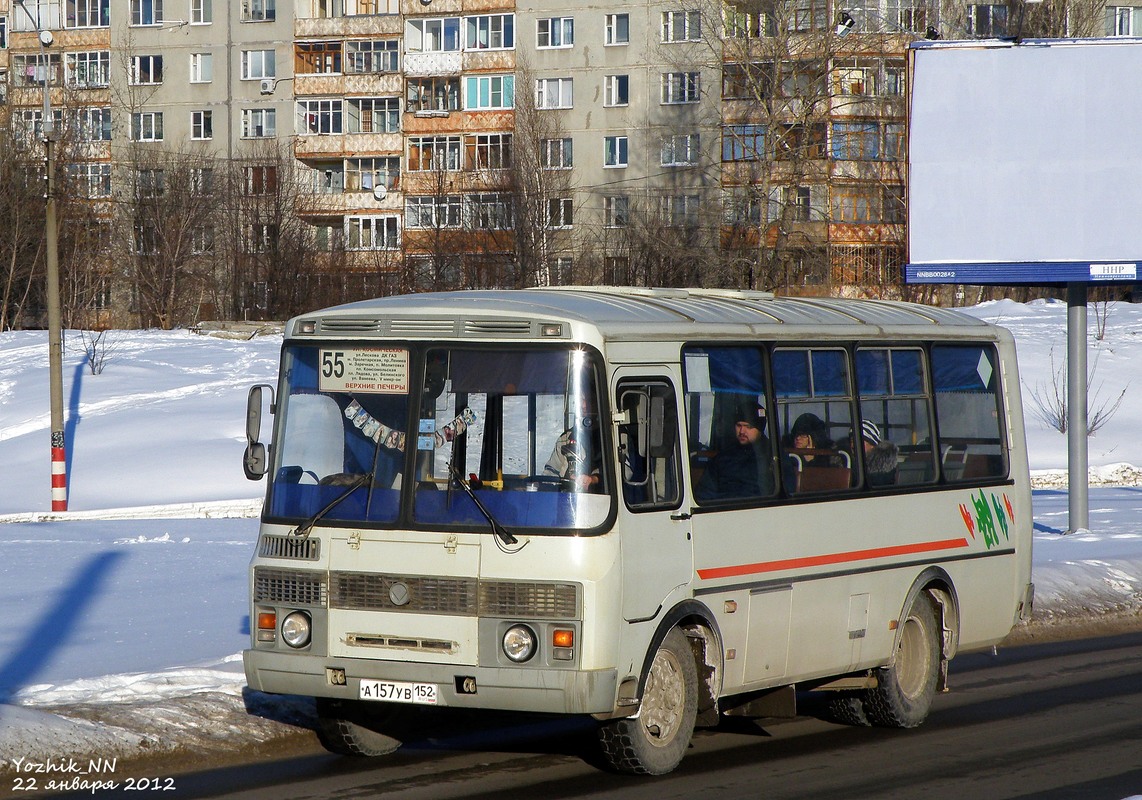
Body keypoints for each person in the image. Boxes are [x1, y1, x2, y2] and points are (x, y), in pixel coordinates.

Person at [695, 404, 774, 501]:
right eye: (739, 425)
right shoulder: (724, 456)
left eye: (748, 427)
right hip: (722, 509)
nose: (742, 431)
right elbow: (705, 492)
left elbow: (783, 492)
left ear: (760, 429)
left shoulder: (773, 455)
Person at [544, 391, 602, 491]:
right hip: (567, 498)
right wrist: (543, 484)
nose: (583, 405)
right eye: (580, 400)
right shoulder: (565, 439)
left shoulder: (615, 435)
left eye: (587, 400)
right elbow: (551, 470)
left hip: (604, 500)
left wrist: (593, 479)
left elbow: (624, 471)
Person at [861, 420, 899, 487]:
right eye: (852, 441)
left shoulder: (883, 467)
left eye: (860, 441)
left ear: (872, 445)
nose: (853, 445)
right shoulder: (846, 460)